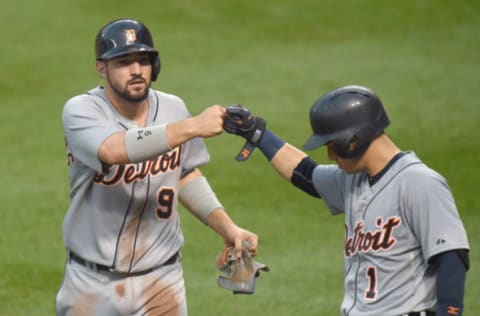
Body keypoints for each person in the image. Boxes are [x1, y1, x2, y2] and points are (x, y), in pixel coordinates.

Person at [56, 18, 258, 316]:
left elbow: (184, 174)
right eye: (124, 62)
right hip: (91, 283)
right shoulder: (81, 111)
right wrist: (191, 127)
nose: (136, 70)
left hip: (161, 280)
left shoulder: (173, 108)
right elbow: (114, 149)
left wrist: (227, 228)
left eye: (143, 60)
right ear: (102, 68)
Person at [223, 85, 470, 316]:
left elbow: (452, 257)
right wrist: (257, 133)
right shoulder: (353, 179)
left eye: (332, 144)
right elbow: (306, 175)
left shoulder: (419, 182)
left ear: (354, 139)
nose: (330, 155)